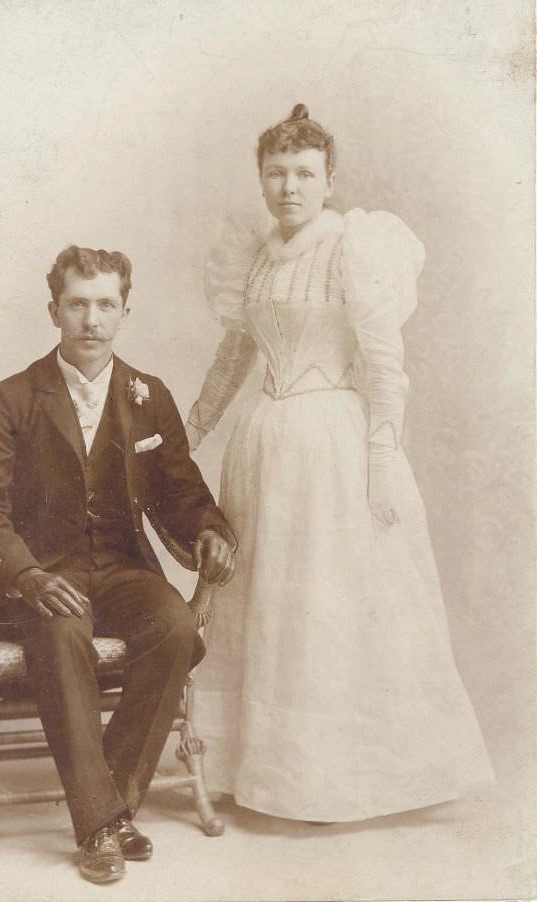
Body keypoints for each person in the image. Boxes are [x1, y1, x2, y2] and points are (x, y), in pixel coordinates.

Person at [185, 104, 494, 823]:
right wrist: (194, 428)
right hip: (263, 444)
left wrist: (382, 460)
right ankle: (266, 774)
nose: (289, 186)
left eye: (304, 173)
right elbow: (237, 351)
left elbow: (385, 365)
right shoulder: (257, 254)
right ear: (261, 179)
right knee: (268, 600)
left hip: (332, 443)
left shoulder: (355, 248)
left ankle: (348, 777)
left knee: (332, 603)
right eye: (276, 173)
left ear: (331, 179)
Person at [0, 245, 237, 883]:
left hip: (120, 568)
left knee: (175, 629)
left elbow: (182, 492)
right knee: (60, 631)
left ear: (124, 312)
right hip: (41, 577)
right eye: (77, 304)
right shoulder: (14, 397)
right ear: (54, 310)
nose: (91, 319)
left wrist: (211, 531)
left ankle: (108, 806)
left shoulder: (149, 396)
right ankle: (102, 825)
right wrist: (26, 575)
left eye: (105, 304)